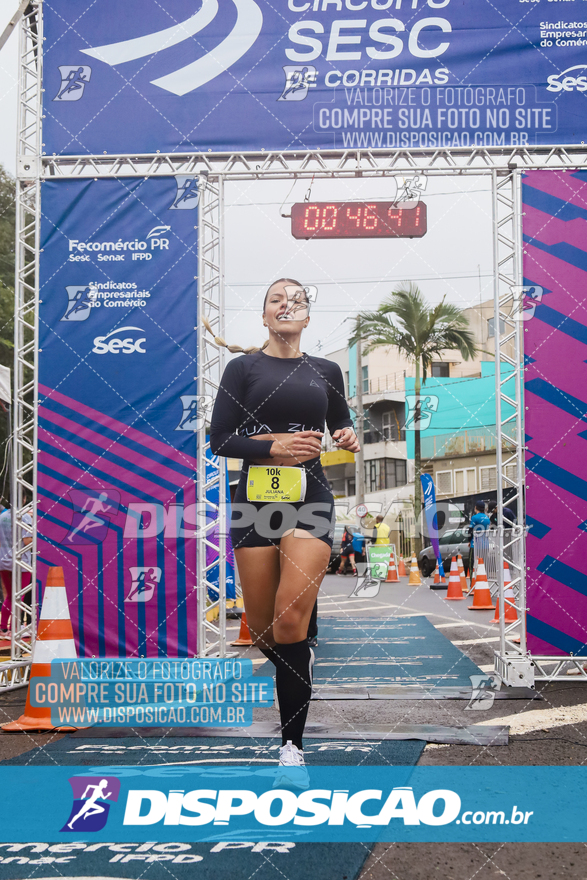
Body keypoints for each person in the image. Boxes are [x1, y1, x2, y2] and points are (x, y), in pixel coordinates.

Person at [210, 278, 359, 777]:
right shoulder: (243, 368)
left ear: (307, 317)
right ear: (266, 315)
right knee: (269, 633)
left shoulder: (326, 370)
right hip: (254, 501)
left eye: (296, 299)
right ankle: (300, 655)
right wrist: (271, 446)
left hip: (309, 499)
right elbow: (220, 440)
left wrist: (347, 434)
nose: (286, 304)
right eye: (277, 298)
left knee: (291, 622)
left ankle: (291, 747)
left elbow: (342, 423)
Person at [0, 499, 33, 635]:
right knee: (19, 597)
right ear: (24, 499)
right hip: (21, 562)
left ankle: (3, 628)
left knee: (9, 596)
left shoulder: (1, 517)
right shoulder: (24, 516)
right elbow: (27, 541)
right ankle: (15, 628)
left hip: (4, 561)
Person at [468, 500, 490, 577]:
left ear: (475, 508)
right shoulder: (487, 518)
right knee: (484, 565)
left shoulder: (474, 518)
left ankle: (473, 585)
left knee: (472, 565)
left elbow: (470, 530)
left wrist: (469, 541)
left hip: (475, 545)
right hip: (485, 545)